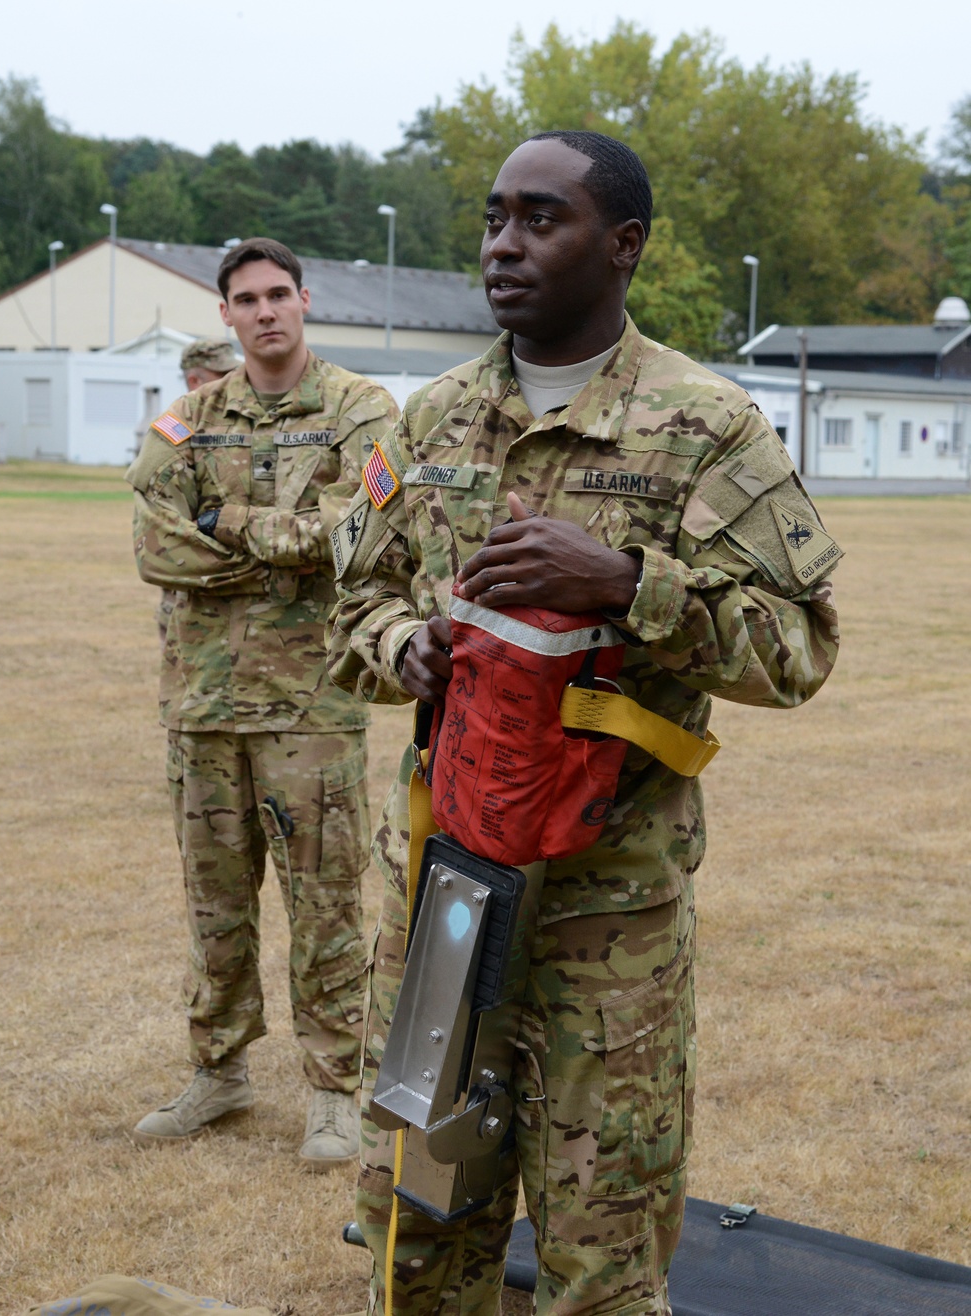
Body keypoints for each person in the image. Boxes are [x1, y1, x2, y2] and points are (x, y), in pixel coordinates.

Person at [327, 132, 842, 1313]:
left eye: (541, 218)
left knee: (597, 1245)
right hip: (442, 892)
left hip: (606, 918)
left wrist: (624, 580)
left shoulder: (706, 426)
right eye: (496, 217)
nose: (504, 245)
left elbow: (799, 647)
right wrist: (408, 645)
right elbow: (357, 598)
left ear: (623, 246)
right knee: (420, 1217)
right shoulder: (435, 418)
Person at [126, 237, 399, 1168]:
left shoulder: (363, 410)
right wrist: (291, 545)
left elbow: (359, 535)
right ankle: (219, 1071)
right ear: (226, 315)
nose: (266, 311)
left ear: (306, 300)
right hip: (202, 705)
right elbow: (157, 548)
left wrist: (229, 523)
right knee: (215, 902)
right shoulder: (184, 422)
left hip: (312, 706)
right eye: (247, 299)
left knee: (323, 902)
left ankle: (334, 1091)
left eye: (280, 293)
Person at [155, 339, 241, 648]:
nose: (236, 381)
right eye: (224, 373)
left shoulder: (230, 424)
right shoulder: (175, 428)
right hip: (190, 585)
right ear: (196, 380)